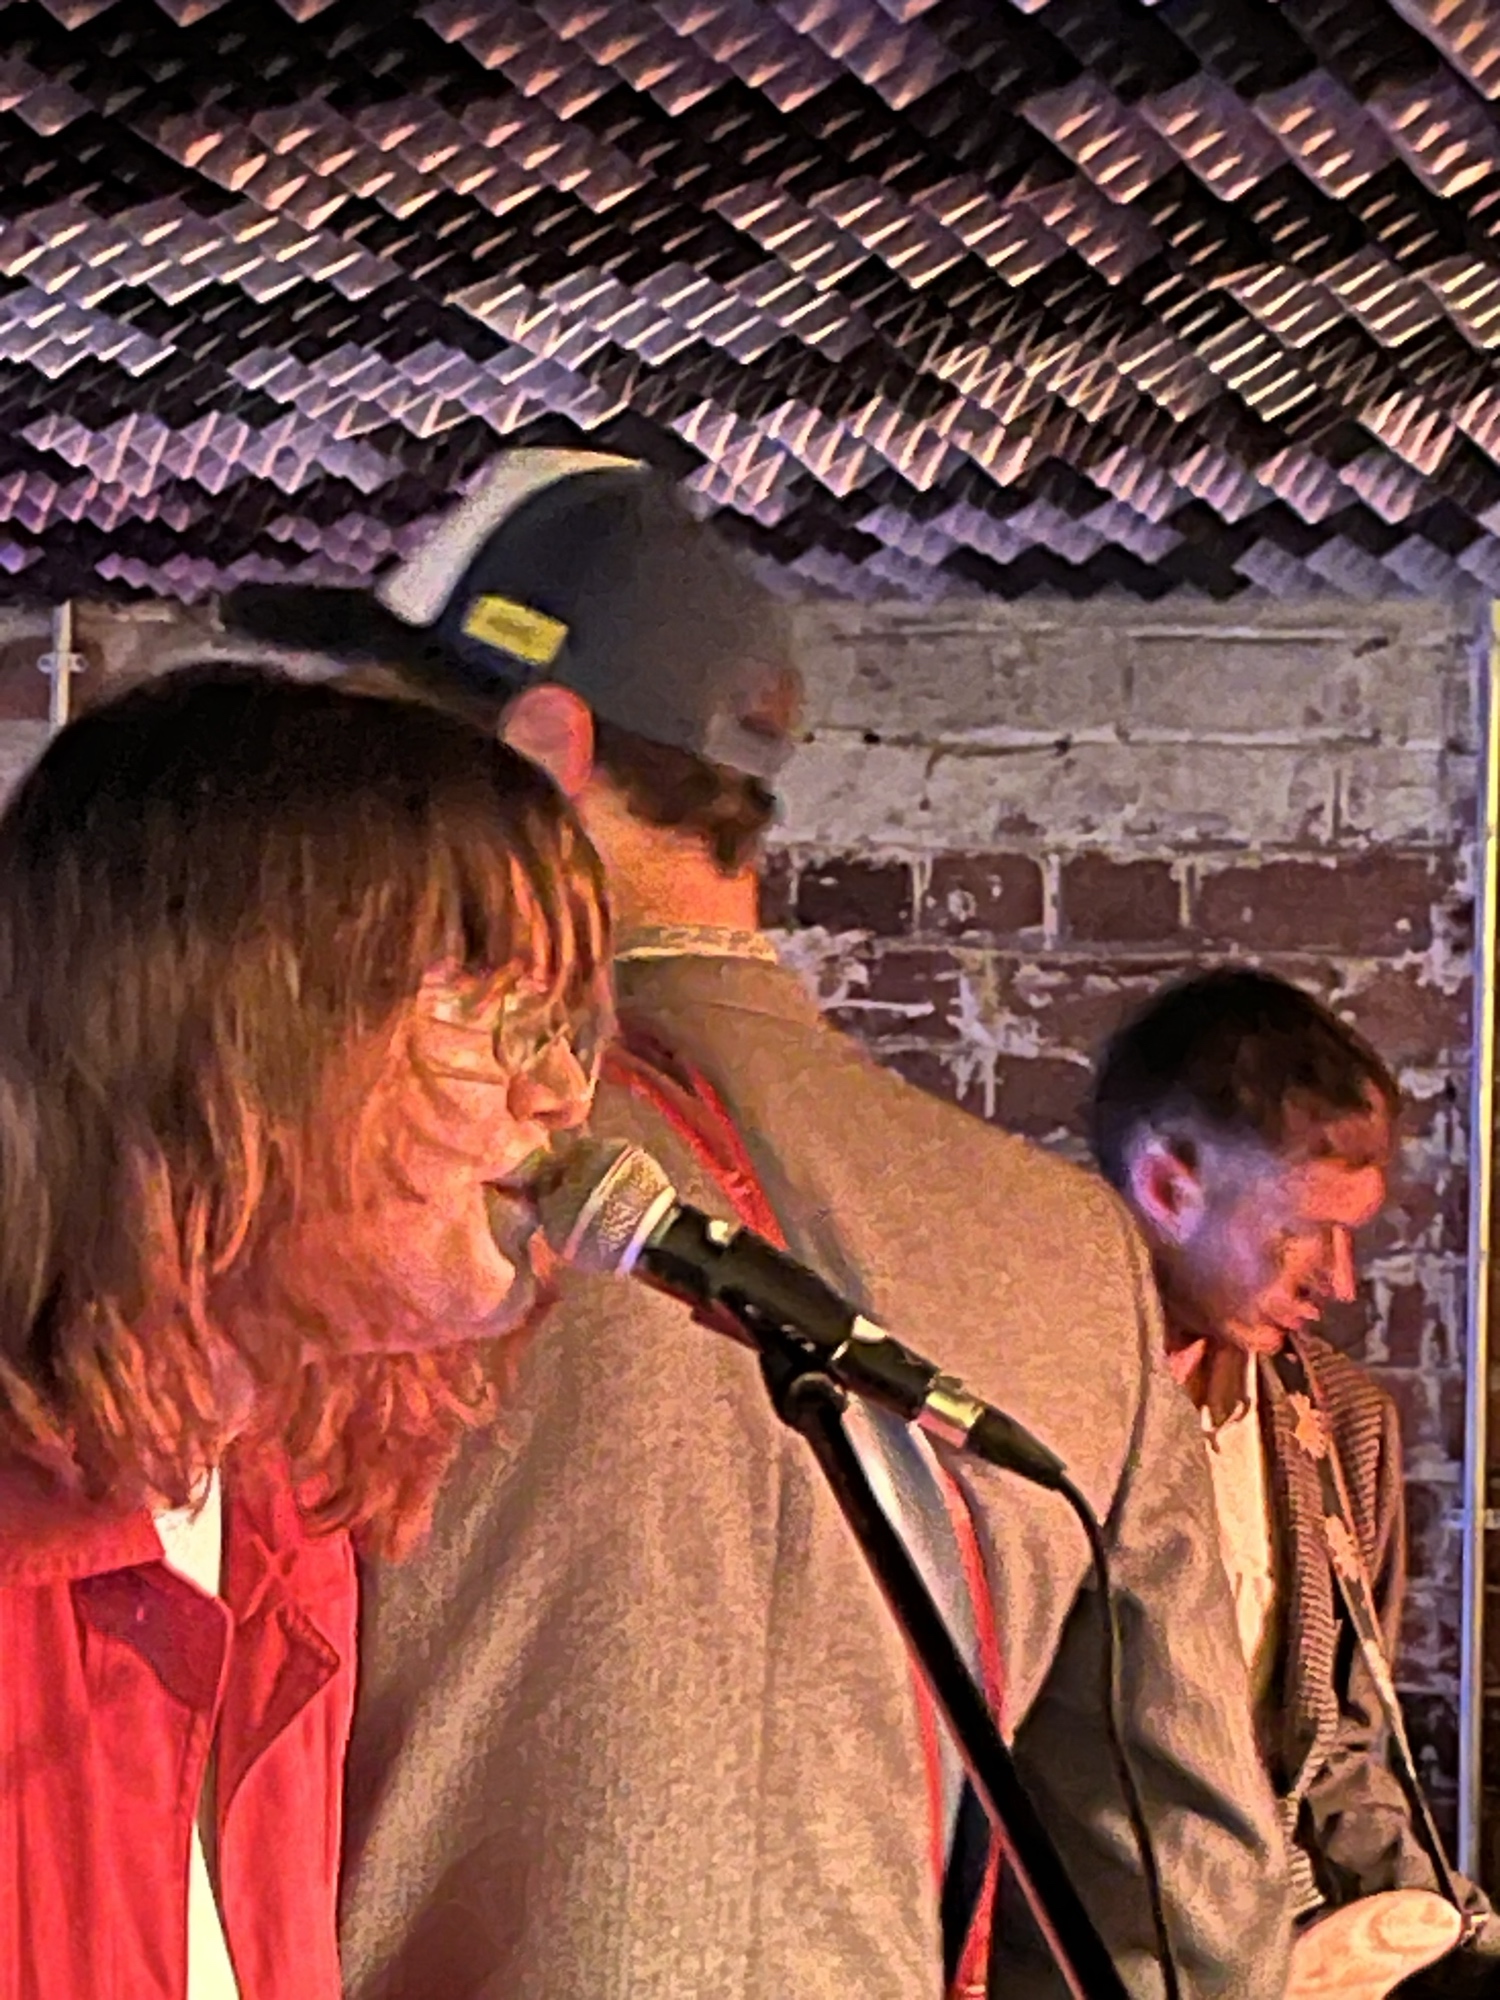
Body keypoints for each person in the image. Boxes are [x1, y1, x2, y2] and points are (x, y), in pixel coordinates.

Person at [225, 451, 1293, 1999]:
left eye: (390, 755)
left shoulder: (363, 1173)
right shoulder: (1069, 1249)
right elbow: (1183, 1910)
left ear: (541, 748)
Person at [0, 662, 608, 2000]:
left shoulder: (281, 1522)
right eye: (485, 1008)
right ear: (226, 1039)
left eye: (557, 1023)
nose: (562, 1091)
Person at [1089, 966, 1500, 1993]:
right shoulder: (1025, 1403)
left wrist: (1449, 1940)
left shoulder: (1343, 1421)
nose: (1340, 1280)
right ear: (1167, 1186)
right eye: (1304, 1228)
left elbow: (1342, 1754)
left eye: (1352, 1233)